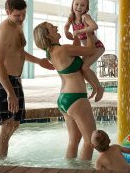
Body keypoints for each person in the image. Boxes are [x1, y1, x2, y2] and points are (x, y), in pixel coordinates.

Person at [0, 0, 54, 159]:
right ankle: (2, 166)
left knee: (15, 123)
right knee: (7, 125)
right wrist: (10, 92)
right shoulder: (4, 30)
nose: (21, 18)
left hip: (14, 79)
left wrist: (39, 61)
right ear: (8, 12)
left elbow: (18, 51)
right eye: (17, 15)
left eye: (24, 14)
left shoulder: (18, 25)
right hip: (2, 80)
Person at [34, 21, 97, 160]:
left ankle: (69, 171)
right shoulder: (64, 50)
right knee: (90, 140)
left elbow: (75, 49)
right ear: (48, 36)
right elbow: (91, 50)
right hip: (76, 97)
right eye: (52, 27)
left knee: (73, 141)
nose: (56, 27)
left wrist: (76, 31)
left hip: (64, 99)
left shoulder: (51, 52)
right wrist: (88, 33)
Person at [64, 0, 104, 102]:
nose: (79, 7)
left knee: (85, 67)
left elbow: (94, 26)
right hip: (87, 48)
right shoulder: (71, 18)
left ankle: (99, 88)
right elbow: (66, 25)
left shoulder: (85, 17)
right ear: (72, 5)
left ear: (86, 8)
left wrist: (80, 31)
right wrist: (66, 32)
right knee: (81, 68)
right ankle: (94, 87)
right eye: (76, 4)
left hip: (97, 47)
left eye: (82, 5)